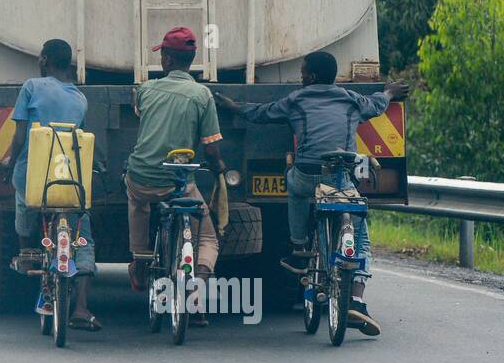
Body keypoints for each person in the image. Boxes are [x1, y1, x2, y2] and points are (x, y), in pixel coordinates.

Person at [216, 50, 411, 337]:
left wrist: (233, 106)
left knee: (293, 188)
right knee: (361, 238)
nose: (302, 76)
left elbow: (261, 113)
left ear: (313, 76)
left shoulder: (297, 100)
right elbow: (378, 106)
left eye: (304, 71)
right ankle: (356, 299)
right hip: (339, 177)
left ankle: (298, 247)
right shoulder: (350, 99)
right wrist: (389, 91)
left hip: (307, 175)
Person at [125, 27, 226, 325]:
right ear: (192, 60)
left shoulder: (146, 89)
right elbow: (211, 149)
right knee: (207, 237)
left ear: (167, 59)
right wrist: (219, 166)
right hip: (177, 183)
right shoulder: (202, 95)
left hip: (142, 177)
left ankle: (141, 260)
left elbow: (140, 113)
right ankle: (195, 297)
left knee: (137, 201)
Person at [1, 39, 99, 331]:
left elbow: (20, 136)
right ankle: (81, 308)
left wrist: (8, 164)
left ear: (44, 60)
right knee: (84, 234)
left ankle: (27, 253)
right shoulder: (81, 98)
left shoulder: (31, 86)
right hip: (68, 180)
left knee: (24, 199)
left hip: (35, 176)